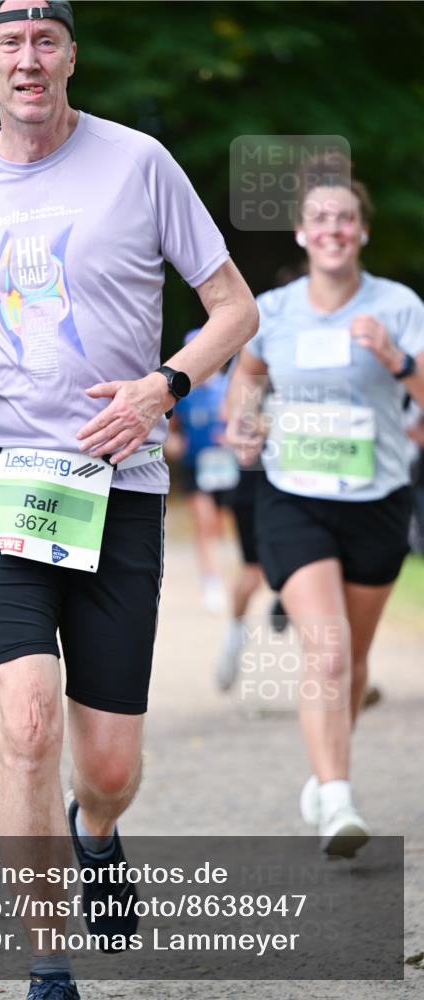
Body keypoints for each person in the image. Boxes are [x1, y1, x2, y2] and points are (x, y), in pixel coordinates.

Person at [0, 2, 258, 996]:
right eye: (8, 41)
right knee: (23, 716)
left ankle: (98, 833)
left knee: (104, 768)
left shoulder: (138, 163)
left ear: (70, 57)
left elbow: (234, 307)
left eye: (46, 38)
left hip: (118, 488)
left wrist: (162, 387)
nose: (28, 56)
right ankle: (45, 960)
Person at [227, 155, 424, 858]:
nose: (332, 228)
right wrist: (241, 425)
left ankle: (324, 774)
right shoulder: (272, 311)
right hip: (293, 497)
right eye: (320, 218)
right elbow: (245, 376)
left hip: (376, 497)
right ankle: (337, 798)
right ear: (300, 232)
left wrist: (398, 359)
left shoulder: (398, 306)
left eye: (345, 218)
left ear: (361, 232)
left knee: (355, 659)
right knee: (328, 650)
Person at [165, 339, 238, 614]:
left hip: (226, 467)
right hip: (196, 467)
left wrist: (234, 437)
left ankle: (225, 575)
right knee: (204, 523)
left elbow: (243, 422)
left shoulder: (228, 387)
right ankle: (211, 582)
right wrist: (173, 443)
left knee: (221, 525)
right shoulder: (183, 394)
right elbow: (171, 430)